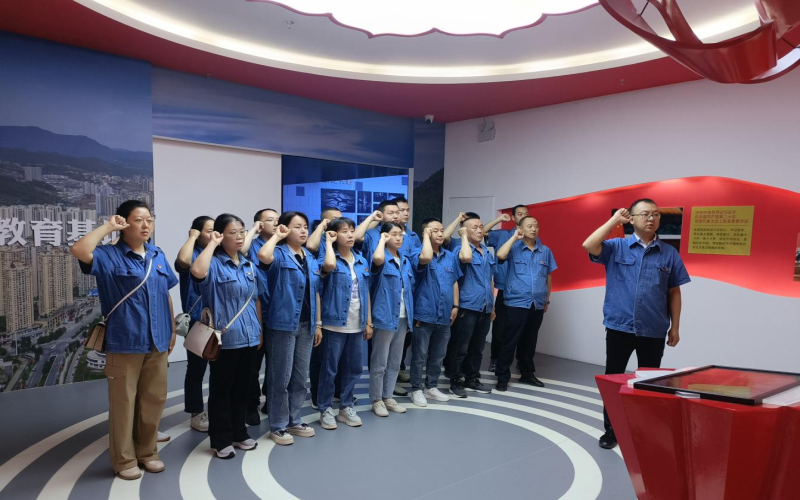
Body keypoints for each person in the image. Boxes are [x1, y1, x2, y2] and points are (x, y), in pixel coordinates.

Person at [71, 200, 178, 480]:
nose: (145, 225)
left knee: (153, 400)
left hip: (157, 340)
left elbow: (165, 293)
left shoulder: (157, 254)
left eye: (149, 220)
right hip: (125, 339)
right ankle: (124, 459)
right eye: (138, 220)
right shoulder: (109, 255)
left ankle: (148, 452)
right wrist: (108, 227)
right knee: (124, 404)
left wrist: (172, 331)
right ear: (124, 223)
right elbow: (79, 250)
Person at [582, 199, 690, 450]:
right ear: (631, 218)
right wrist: (614, 221)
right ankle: (612, 429)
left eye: (655, 214)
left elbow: (674, 292)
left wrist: (675, 327)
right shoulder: (616, 247)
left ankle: (643, 429)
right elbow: (588, 245)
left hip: (654, 328)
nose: (651, 218)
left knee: (649, 383)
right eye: (645, 214)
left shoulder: (669, 253)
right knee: (613, 379)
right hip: (619, 326)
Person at [191, 214, 264, 459]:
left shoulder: (249, 265)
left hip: (249, 337)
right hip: (225, 339)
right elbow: (196, 272)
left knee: (242, 389)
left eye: (242, 231)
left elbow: (254, 301)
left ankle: (239, 433)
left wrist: (258, 331)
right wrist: (212, 243)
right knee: (221, 390)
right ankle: (221, 439)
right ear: (220, 235)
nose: (240, 236)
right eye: (233, 232)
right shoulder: (212, 263)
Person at [258, 211, 322, 446]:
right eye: (297, 226)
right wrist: (277, 236)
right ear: (284, 229)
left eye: (305, 226)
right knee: (280, 379)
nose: (303, 231)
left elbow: (316, 292)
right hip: (282, 326)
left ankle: (295, 420)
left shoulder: (310, 258)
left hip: (306, 325)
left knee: (299, 378)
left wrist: (317, 324)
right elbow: (262, 255)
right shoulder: (278, 253)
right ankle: (278, 425)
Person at [317, 218, 373, 429]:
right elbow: (325, 275)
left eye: (351, 231)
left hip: (357, 322)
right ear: (333, 234)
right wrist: (328, 243)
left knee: (354, 368)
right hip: (333, 323)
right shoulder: (328, 257)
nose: (350, 235)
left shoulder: (361, 260)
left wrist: (368, 322)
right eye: (344, 231)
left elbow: (366, 292)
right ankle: (325, 408)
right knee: (329, 369)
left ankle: (346, 407)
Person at [494, 215, 557, 392]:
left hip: (537, 303)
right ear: (520, 229)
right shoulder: (513, 247)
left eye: (536, 225)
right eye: (529, 226)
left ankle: (527, 374)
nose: (534, 228)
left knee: (530, 341)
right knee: (510, 340)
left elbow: (548, 277)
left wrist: (546, 299)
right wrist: (514, 237)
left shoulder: (545, 251)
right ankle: (502, 376)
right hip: (516, 302)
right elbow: (500, 255)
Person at [408, 218, 462, 407]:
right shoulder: (417, 252)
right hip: (424, 313)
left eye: (441, 230)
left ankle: (431, 386)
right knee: (419, 355)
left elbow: (454, 281)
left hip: (445, 314)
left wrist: (456, 306)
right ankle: (416, 389)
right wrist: (425, 237)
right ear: (425, 233)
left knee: (438, 355)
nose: (440, 234)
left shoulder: (450, 256)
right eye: (435, 231)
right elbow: (425, 258)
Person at [445, 216, 496, 397]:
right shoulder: (460, 249)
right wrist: (464, 237)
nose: (480, 230)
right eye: (474, 227)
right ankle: (455, 381)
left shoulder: (487, 253)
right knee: (460, 347)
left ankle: (472, 378)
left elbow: (490, 280)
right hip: (467, 306)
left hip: (485, 306)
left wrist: (492, 306)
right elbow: (466, 258)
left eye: (481, 227)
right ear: (464, 231)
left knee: (477, 347)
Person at [369, 222, 414, 416]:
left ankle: (388, 396)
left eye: (401, 235)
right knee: (380, 361)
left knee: (395, 361)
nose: (398, 238)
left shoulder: (405, 259)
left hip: (403, 316)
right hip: (385, 316)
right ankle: (377, 399)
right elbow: (377, 259)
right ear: (385, 236)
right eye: (393, 234)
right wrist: (382, 240)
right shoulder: (381, 257)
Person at [174, 216, 214, 433]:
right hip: (199, 323)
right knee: (196, 370)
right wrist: (192, 237)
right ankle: (196, 412)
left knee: (221, 371)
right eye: (209, 230)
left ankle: (218, 408)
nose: (214, 234)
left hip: (222, 322)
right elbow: (182, 261)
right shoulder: (193, 254)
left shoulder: (219, 254)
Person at [304, 207, 345, 409]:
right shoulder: (320, 240)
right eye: (334, 220)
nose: (339, 223)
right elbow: (311, 246)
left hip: (340, 307)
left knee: (338, 358)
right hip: (322, 304)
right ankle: (317, 395)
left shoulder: (343, 245)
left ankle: (336, 392)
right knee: (319, 358)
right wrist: (322, 228)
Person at [483, 204, 529, 372]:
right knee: (500, 328)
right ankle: (495, 359)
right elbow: (483, 232)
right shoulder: (502, 235)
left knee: (523, 329)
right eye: (520, 214)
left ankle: (520, 361)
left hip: (523, 292)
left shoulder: (532, 239)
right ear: (513, 217)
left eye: (526, 213)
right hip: (504, 289)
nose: (523, 216)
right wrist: (499, 219)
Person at [245, 208, 279, 421]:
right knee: (253, 364)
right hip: (256, 313)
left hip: (278, 313)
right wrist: (253, 230)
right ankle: (251, 404)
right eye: (270, 220)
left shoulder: (282, 245)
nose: (276, 223)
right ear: (259, 224)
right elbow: (242, 250)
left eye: (278, 219)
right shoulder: (252, 245)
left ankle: (271, 400)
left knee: (276, 363)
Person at [390, 197, 421, 390]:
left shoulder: (413, 236)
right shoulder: (384, 234)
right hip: (390, 294)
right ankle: (388, 381)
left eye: (407, 210)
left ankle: (399, 368)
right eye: (401, 210)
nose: (405, 213)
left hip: (409, 291)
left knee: (405, 337)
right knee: (386, 341)